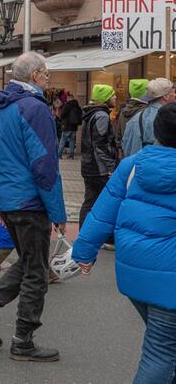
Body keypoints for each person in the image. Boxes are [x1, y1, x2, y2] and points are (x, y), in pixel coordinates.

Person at [0, 51, 65, 362]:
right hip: (30, 199)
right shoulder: (35, 108)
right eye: (46, 74)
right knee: (36, 270)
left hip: (9, 197)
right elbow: (44, 163)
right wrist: (58, 211)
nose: (48, 79)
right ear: (35, 75)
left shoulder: (0, 107)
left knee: (30, 260)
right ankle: (23, 338)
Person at [72, 102, 176, 383]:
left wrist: (84, 251)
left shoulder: (132, 166)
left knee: (164, 347)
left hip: (133, 271)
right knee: (161, 354)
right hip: (169, 279)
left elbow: (102, 212)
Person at [80, 84, 119, 229]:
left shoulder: (90, 114)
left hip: (88, 165)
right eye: (112, 94)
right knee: (110, 202)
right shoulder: (101, 115)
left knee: (89, 202)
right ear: (105, 98)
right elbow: (101, 144)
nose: (115, 97)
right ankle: (107, 236)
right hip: (99, 168)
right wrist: (112, 166)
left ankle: (84, 233)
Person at [122, 78, 175, 157]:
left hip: (136, 166)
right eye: (174, 92)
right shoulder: (168, 120)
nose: (175, 95)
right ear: (166, 96)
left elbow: (126, 146)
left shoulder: (135, 119)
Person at [117, 78, 149, 143]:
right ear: (145, 92)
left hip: (127, 151)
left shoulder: (123, 111)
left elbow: (118, 137)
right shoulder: (147, 112)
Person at [58, 93, 83, 159]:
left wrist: (60, 116)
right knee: (72, 141)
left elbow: (62, 114)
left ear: (69, 98)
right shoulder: (77, 106)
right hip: (74, 127)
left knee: (63, 141)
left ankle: (59, 154)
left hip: (66, 126)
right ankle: (71, 155)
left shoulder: (67, 105)